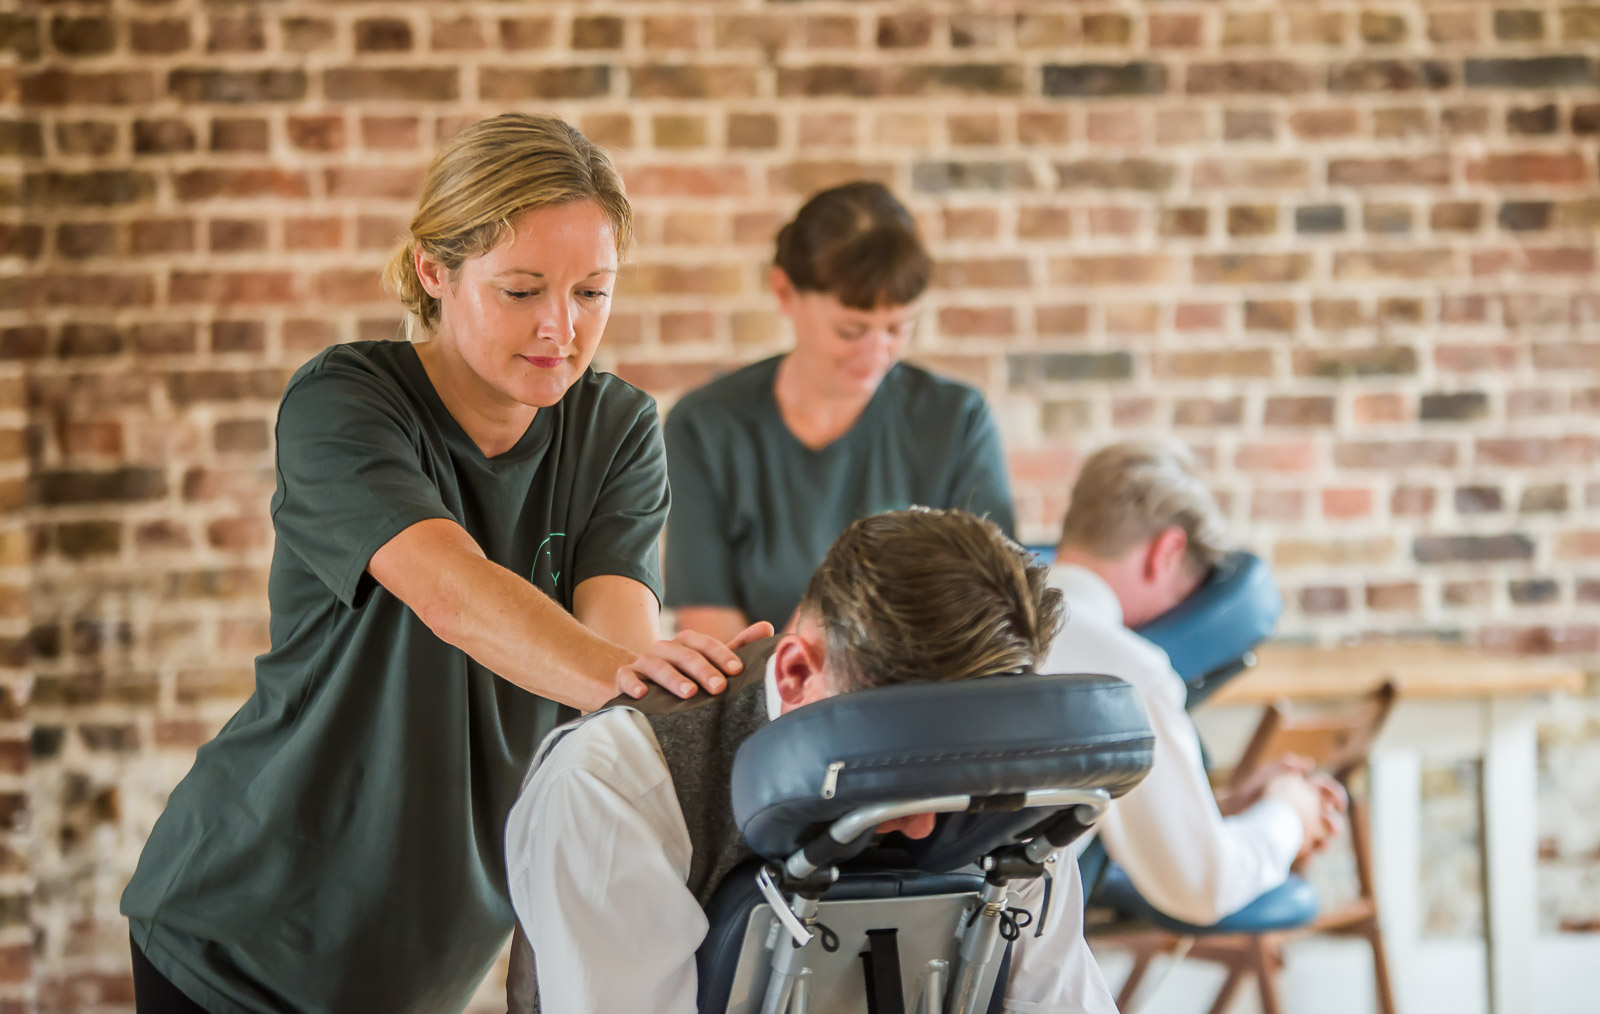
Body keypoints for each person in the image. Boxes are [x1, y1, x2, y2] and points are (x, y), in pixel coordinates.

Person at [119, 114, 764, 1014]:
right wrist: (642, 679)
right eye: (522, 290)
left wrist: (688, 698)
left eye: (592, 292)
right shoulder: (346, 402)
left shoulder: (615, 429)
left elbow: (612, 670)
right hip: (246, 937)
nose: (561, 327)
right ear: (434, 270)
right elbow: (456, 596)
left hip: (431, 966)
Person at [505, 509, 1118, 1014]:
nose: (926, 825)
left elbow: (1056, 997)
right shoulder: (616, 786)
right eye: (896, 772)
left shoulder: (1015, 781)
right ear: (799, 673)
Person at [664, 181, 1016, 641]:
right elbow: (716, 636)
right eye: (851, 330)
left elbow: (993, 609)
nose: (876, 354)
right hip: (772, 701)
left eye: (896, 328)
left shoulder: (956, 419)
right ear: (784, 291)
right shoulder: (705, 427)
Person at [1042, 440, 1347, 927]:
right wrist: (1289, 814)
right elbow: (1202, 886)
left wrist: (1224, 808)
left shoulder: (982, 619)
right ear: (1167, 551)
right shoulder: (1125, 673)